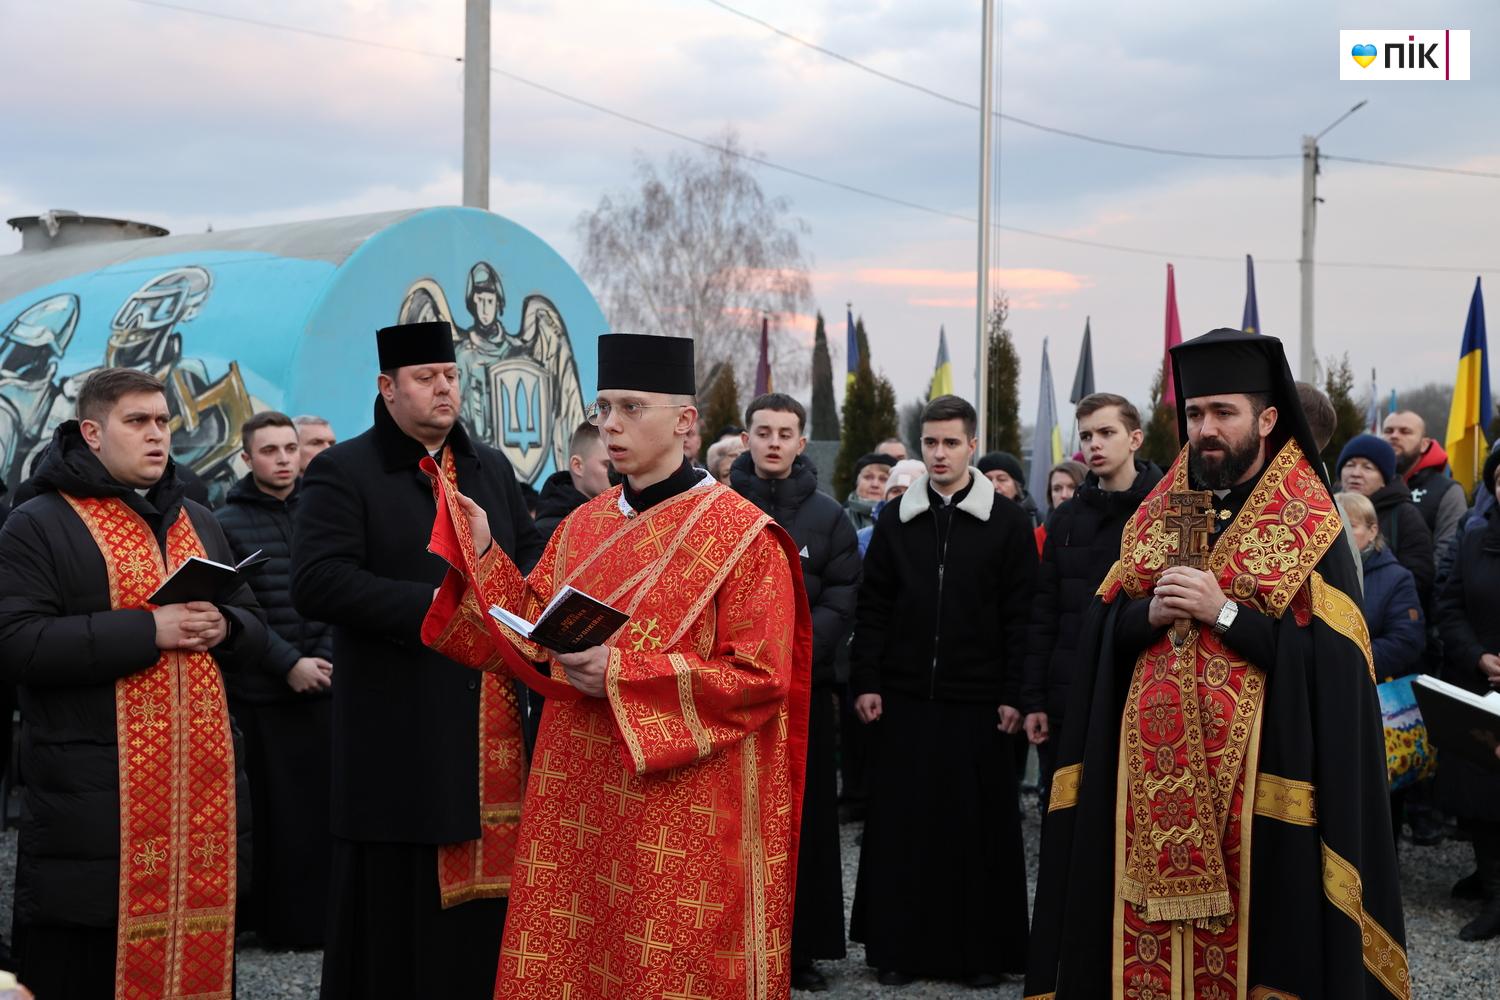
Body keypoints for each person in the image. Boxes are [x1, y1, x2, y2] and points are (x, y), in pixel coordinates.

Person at [421, 333, 812, 999]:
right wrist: (484, 553)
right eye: (604, 407)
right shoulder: (584, 525)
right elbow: (531, 631)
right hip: (579, 798)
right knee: (579, 961)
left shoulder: (744, 538)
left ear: (686, 423)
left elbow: (760, 679)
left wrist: (621, 674)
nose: (611, 424)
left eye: (632, 407)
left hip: (680, 807)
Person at [1027, 329, 1406, 999]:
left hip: (1261, 794)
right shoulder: (1159, 510)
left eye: (1223, 413)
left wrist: (1223, 611)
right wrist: (1142, 617)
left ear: (1265, 419)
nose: (1205, 429)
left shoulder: (1309, 520)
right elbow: (1101, 628)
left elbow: (1334, 666)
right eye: (1195, 413)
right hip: (1146, 790)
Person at [291, 322, 544, 999]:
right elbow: (317, 581)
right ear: (387, 387)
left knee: (492, 908)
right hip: (399, 724)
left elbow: (520, 569)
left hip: (489, 718)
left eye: (451, 376)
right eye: (426, 377)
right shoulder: (343, 471)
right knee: (402, 909)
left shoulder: (491, 468)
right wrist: (434, 608)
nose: (443, 388)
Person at [0, 368, 267, 999]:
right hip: (92, 803)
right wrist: (150, 631)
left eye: (163, 421)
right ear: (92, 432)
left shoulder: (197, 518)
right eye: (137, 422)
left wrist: (223, 626)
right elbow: (16, 643)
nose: (157, 436)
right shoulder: (37, 522)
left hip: (200, 801)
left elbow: (256, 627)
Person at [850, 395, 1036, 988]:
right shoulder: (896, 516)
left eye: (950, 442)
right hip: (903, 697)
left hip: (979, 702)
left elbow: (1022, 617)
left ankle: (980, 956)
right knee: (904, 828)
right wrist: (867, 680)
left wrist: (1015, 693)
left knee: (975, 832)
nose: (938, 453)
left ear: (972, 445)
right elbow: (873, 607)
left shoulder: (1006, 522)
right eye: (930, 442)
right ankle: (896, 950)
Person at [730, 392, 860, 993]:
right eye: (764, 431)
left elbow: (842, 596)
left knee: (802, 823)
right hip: (731, 691)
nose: (775, 442)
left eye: (786, 432)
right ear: (747, 437)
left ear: (802, 442)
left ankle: (800, 949)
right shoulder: (717, 505)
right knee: (735, 821)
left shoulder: (829, 517)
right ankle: (731, 941)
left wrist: (796, 651)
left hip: (802, 691)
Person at [216, 410, 335, 948]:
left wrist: (323, 659)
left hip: (326, 683)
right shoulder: (225, 522)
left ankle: (324, 922)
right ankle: (277, 924)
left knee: (322, 814)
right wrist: (288, 663)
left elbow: (339, 589)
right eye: (270, 450)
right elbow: (240, 610)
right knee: (273, 818)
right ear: (247, 458)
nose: (284, 459)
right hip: (265, 693)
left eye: (290, 448)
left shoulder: (324, 511)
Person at [1022, 393, 1161, 808]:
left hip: (1141, 693)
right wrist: (1034, 699)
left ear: (1134, 438)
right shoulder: (1065, 517)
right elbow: (1045, 612)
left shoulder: (1168, 510)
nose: (1094, 444)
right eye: (1086, 435)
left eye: (1106, 432)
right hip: (1070, 694)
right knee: (1069, 813)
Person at [1435, 446, 1500, 941]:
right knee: (1478, 790)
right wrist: (1477, 655)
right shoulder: (1475, 538)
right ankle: (1492, 884)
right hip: (1479, 682)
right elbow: (1450, 603)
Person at [1337, 433, 1435, 603]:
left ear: (1384, 479)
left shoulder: (1405, 515)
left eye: (1367, 467)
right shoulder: (1325, 508)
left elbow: (1420, 578)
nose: (1356, 473)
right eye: (1350, 465)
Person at [1383, 410, 1467, 553]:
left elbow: (1448, 551)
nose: (1394, 436)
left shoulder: (1448, 491)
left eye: (1405, 432)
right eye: (1388, 431)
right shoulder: (1363, 484)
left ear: (1424, 444)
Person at [534, 420, 612, 540]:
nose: (617, 472)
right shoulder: (549, 534)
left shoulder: (622, 517)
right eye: (608, 465)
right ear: (578, 466)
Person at [855, 459, 923, 557]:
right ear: (886, 496)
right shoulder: (862, 538)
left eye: (909, 491)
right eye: (895, 491)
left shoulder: (935, 535)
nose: (902, 497)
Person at [1035, 459, 1088, 556]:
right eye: (1057, 489)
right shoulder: (1038, 536)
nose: (1064, 495)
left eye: (1072, 487)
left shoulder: (1104, 533)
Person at [979, 450, 1041, 526]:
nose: (994, 486)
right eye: (987, 480)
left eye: (1002, 479)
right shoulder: (968, 519)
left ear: (1017, 486)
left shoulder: (1036, 521)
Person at [844, 452, 895, 531]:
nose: (875, 484)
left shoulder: (902, 518)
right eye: (868, 477)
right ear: (857, 482)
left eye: (883, 479)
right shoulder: (838, 517)